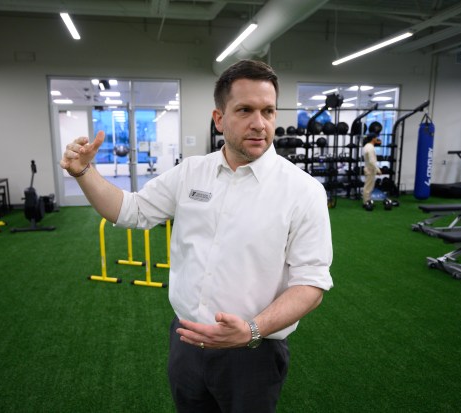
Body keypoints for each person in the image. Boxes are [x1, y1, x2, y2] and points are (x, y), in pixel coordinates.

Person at [60, 59, 333, 412]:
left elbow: (310, 284)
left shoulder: (303, 191)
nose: (259, 123)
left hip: (253, 353)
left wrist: (251, 330)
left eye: (268, 111)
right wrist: (84, 172)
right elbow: (131, 209)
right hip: (186, 343)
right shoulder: (191, 172)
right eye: (245, 110)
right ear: (219, 119)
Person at [362, 133, 382, 210]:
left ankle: (367, 201)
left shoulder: (367, 146)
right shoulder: (370, 147)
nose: (377, 139)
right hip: (370, 169)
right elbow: (372, 161)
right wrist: (378, 170)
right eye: (376, 138)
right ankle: (366, 203)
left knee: (368, 187)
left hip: (368, 168)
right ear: (373, 139)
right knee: (368, 187)